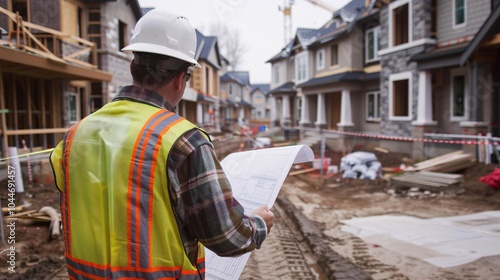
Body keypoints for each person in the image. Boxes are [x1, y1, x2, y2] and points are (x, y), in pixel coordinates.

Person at [50, 9, 274, 279]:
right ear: (181, 79)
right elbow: (227, 236)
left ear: (133, 66)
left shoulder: (75, 134)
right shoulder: (183, 140)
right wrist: (259, 224)